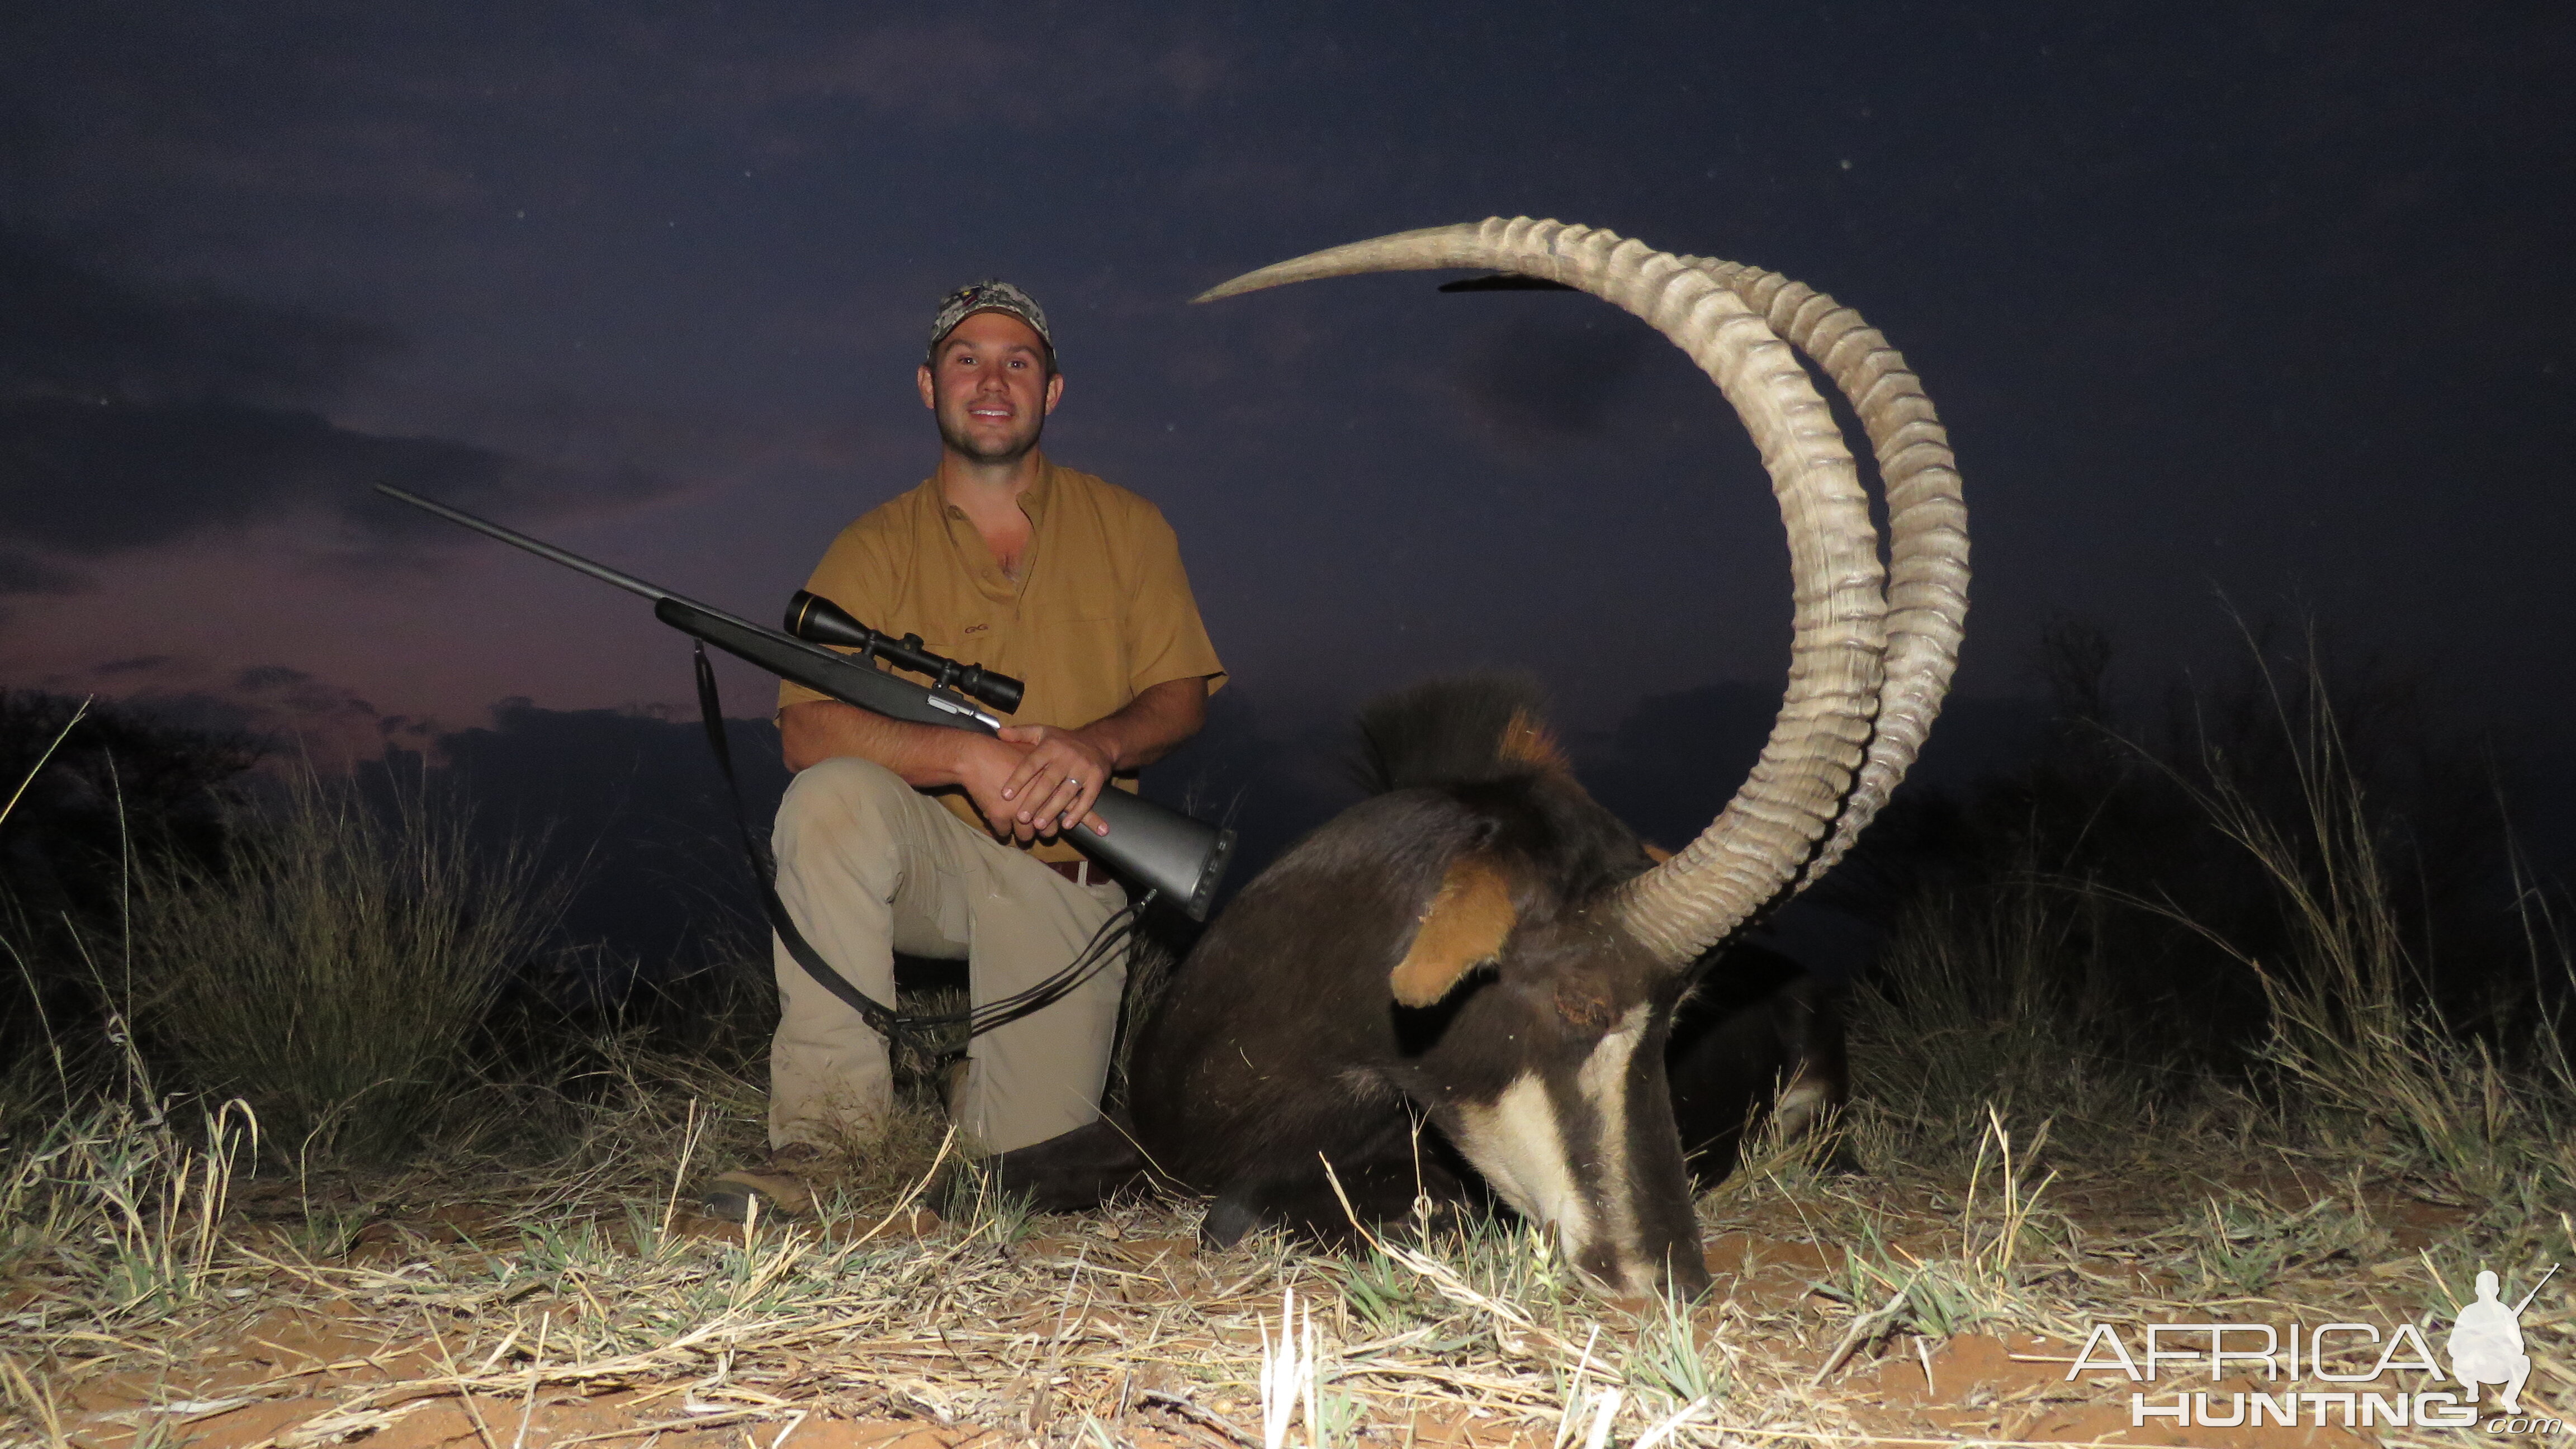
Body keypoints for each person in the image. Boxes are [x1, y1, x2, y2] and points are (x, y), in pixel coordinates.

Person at [702, 281, 1224, 1220]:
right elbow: (806, 730)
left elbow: (1182, 695)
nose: (993, 380)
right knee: (831, 799)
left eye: (1018, 361)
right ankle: (828, 1148)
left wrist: (1099, 743)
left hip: (1068, 881)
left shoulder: (1132, 526)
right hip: (932, 865)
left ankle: (966, 1091)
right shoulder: (871, 544)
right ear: (928, 386)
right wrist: (961, 758)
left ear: (1052, 392)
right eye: (967, 360)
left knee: (1020, 1187)